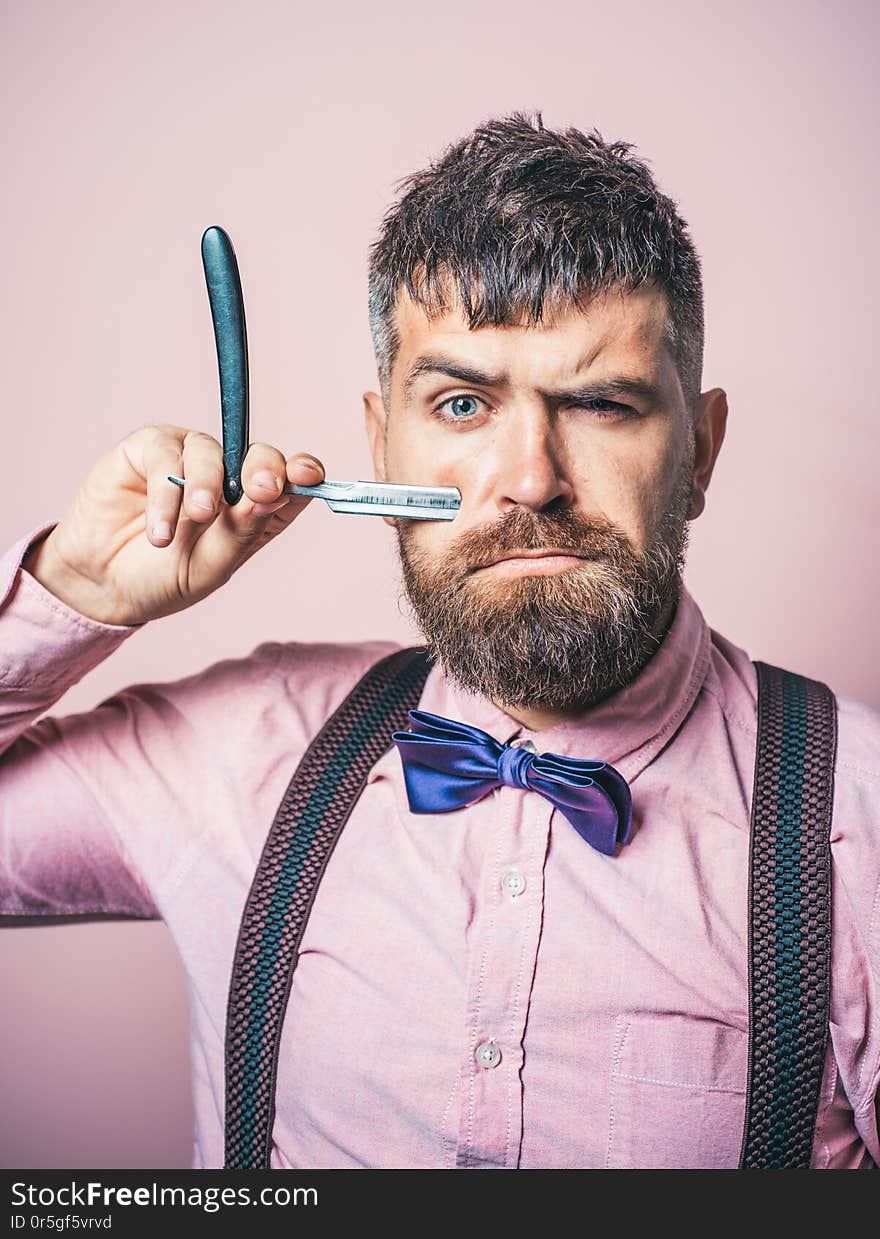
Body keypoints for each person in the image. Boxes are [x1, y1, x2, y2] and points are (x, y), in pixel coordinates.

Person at [1, 111, 878, 1171]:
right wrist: (75, 592)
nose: (529, 480)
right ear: (380, 445)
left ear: (699, 450)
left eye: (601, 404)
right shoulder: (237, 753)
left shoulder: (857, 822)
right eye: (462, 403)